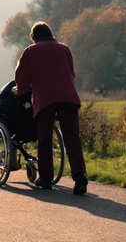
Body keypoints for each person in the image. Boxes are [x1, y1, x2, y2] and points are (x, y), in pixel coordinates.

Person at [12, 21, 88, 194]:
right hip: (68, 96)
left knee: (44, 137)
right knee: (72, 137)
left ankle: (46, 179)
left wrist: (19, 89)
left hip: (45, 98)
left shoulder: (31, 51)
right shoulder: (64, 48)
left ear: (34, 38)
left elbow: (21, 76)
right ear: (50, 34)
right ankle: (79, 175)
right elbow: (71, 72)